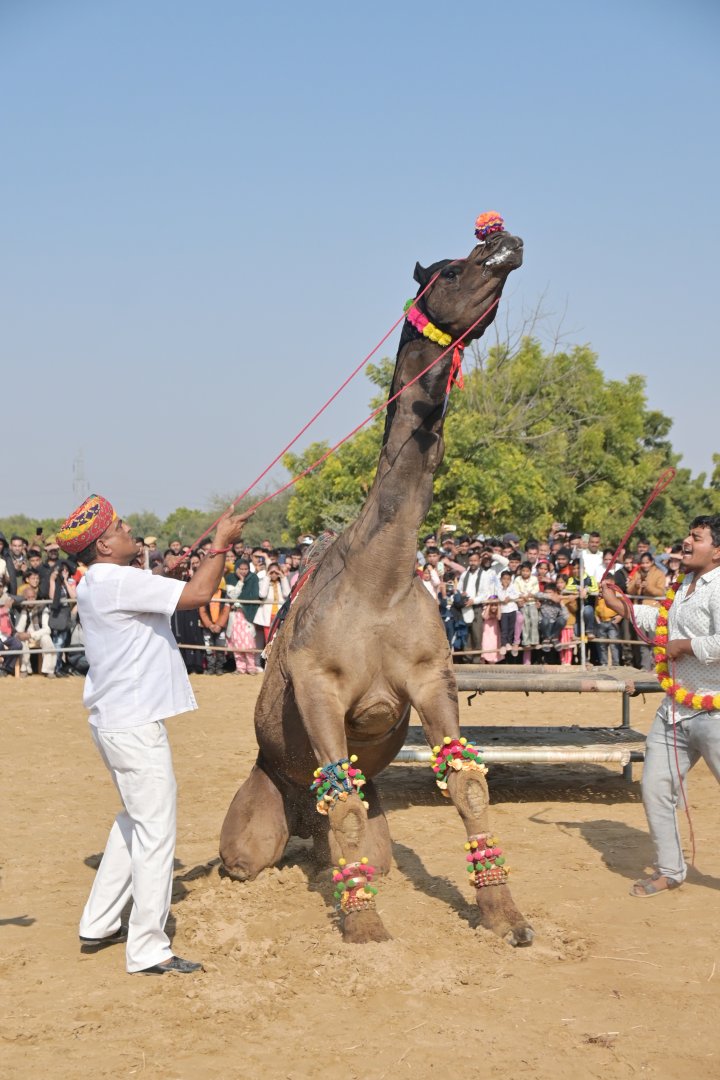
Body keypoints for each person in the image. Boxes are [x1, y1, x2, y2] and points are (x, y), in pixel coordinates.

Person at [57, 493, 251, 975]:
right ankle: (147, 947)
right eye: (120, 528)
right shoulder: (118, 582)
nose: (130, 532)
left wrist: (207, 552)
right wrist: (221, 546)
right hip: (133, 724)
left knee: (135, 821)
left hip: (115, 722)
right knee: (155, 831)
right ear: (103, 546)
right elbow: (198, 596)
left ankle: (100, 921)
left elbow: (164, 590)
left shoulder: (101, 581)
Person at [600, 515, 720, 897]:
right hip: (674, 711)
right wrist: (622, 605)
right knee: (654, 788)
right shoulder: (684, 583)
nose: (686, 541)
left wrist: (684, 647)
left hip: (715, 712)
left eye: (696, 537)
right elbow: (663, 619)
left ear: (717, 550)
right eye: (688, 534)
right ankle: (670, 869)